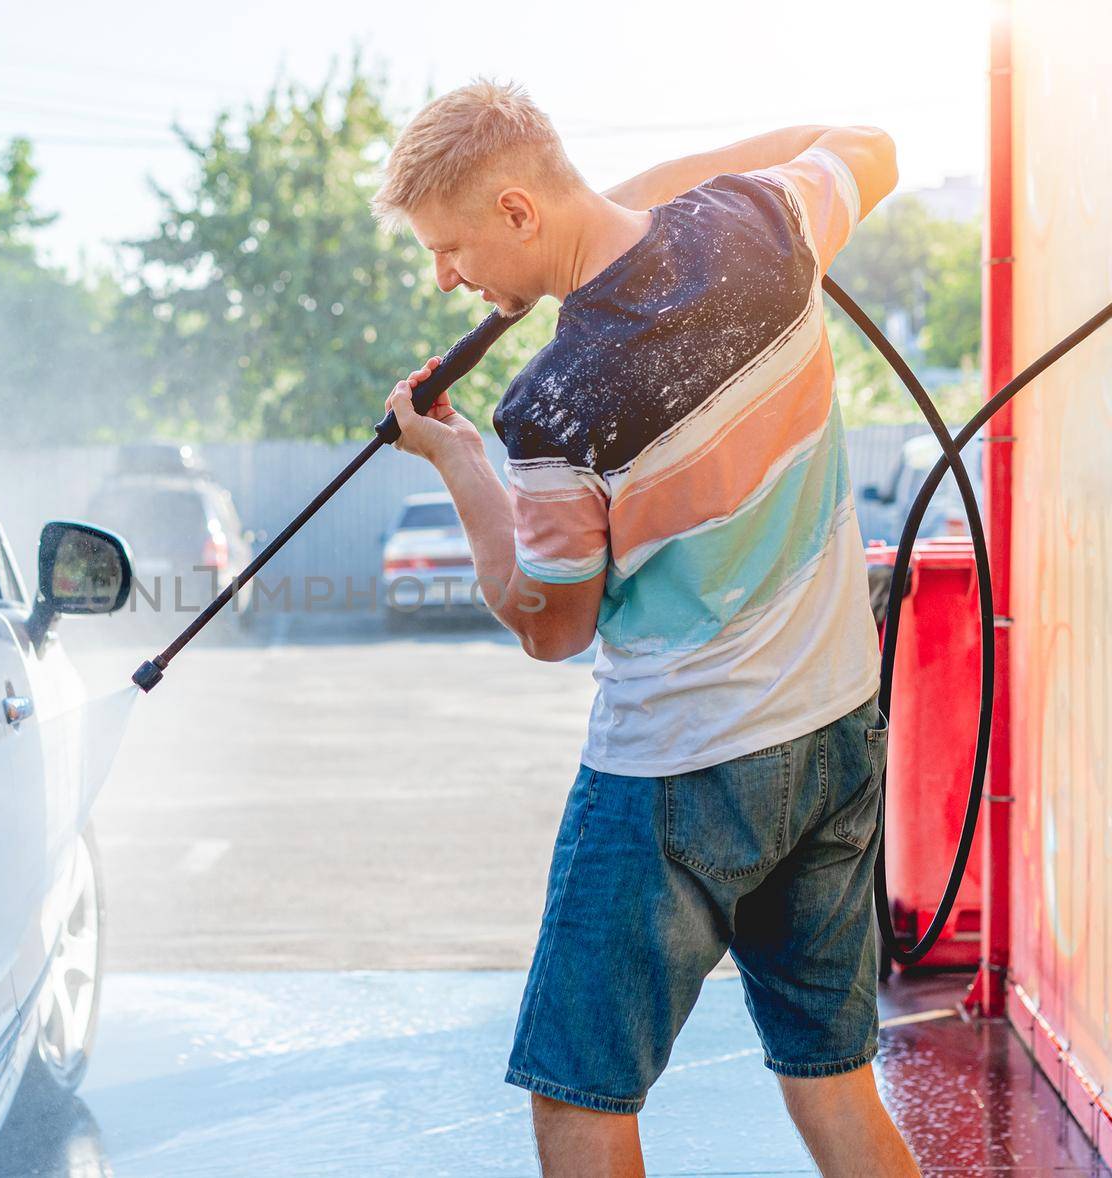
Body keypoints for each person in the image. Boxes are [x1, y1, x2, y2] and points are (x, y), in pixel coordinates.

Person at [371, 80, 918, 1177]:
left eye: (451, 245)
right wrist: (644, 205)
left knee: (580, 1095)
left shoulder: (554, 406)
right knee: (831, 1078)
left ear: (520, 210)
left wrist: (460, 459)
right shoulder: (768, 223)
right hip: (832, 734)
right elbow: (868, 141)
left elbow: (548, 623)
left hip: (675, 771)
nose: (448, 277)